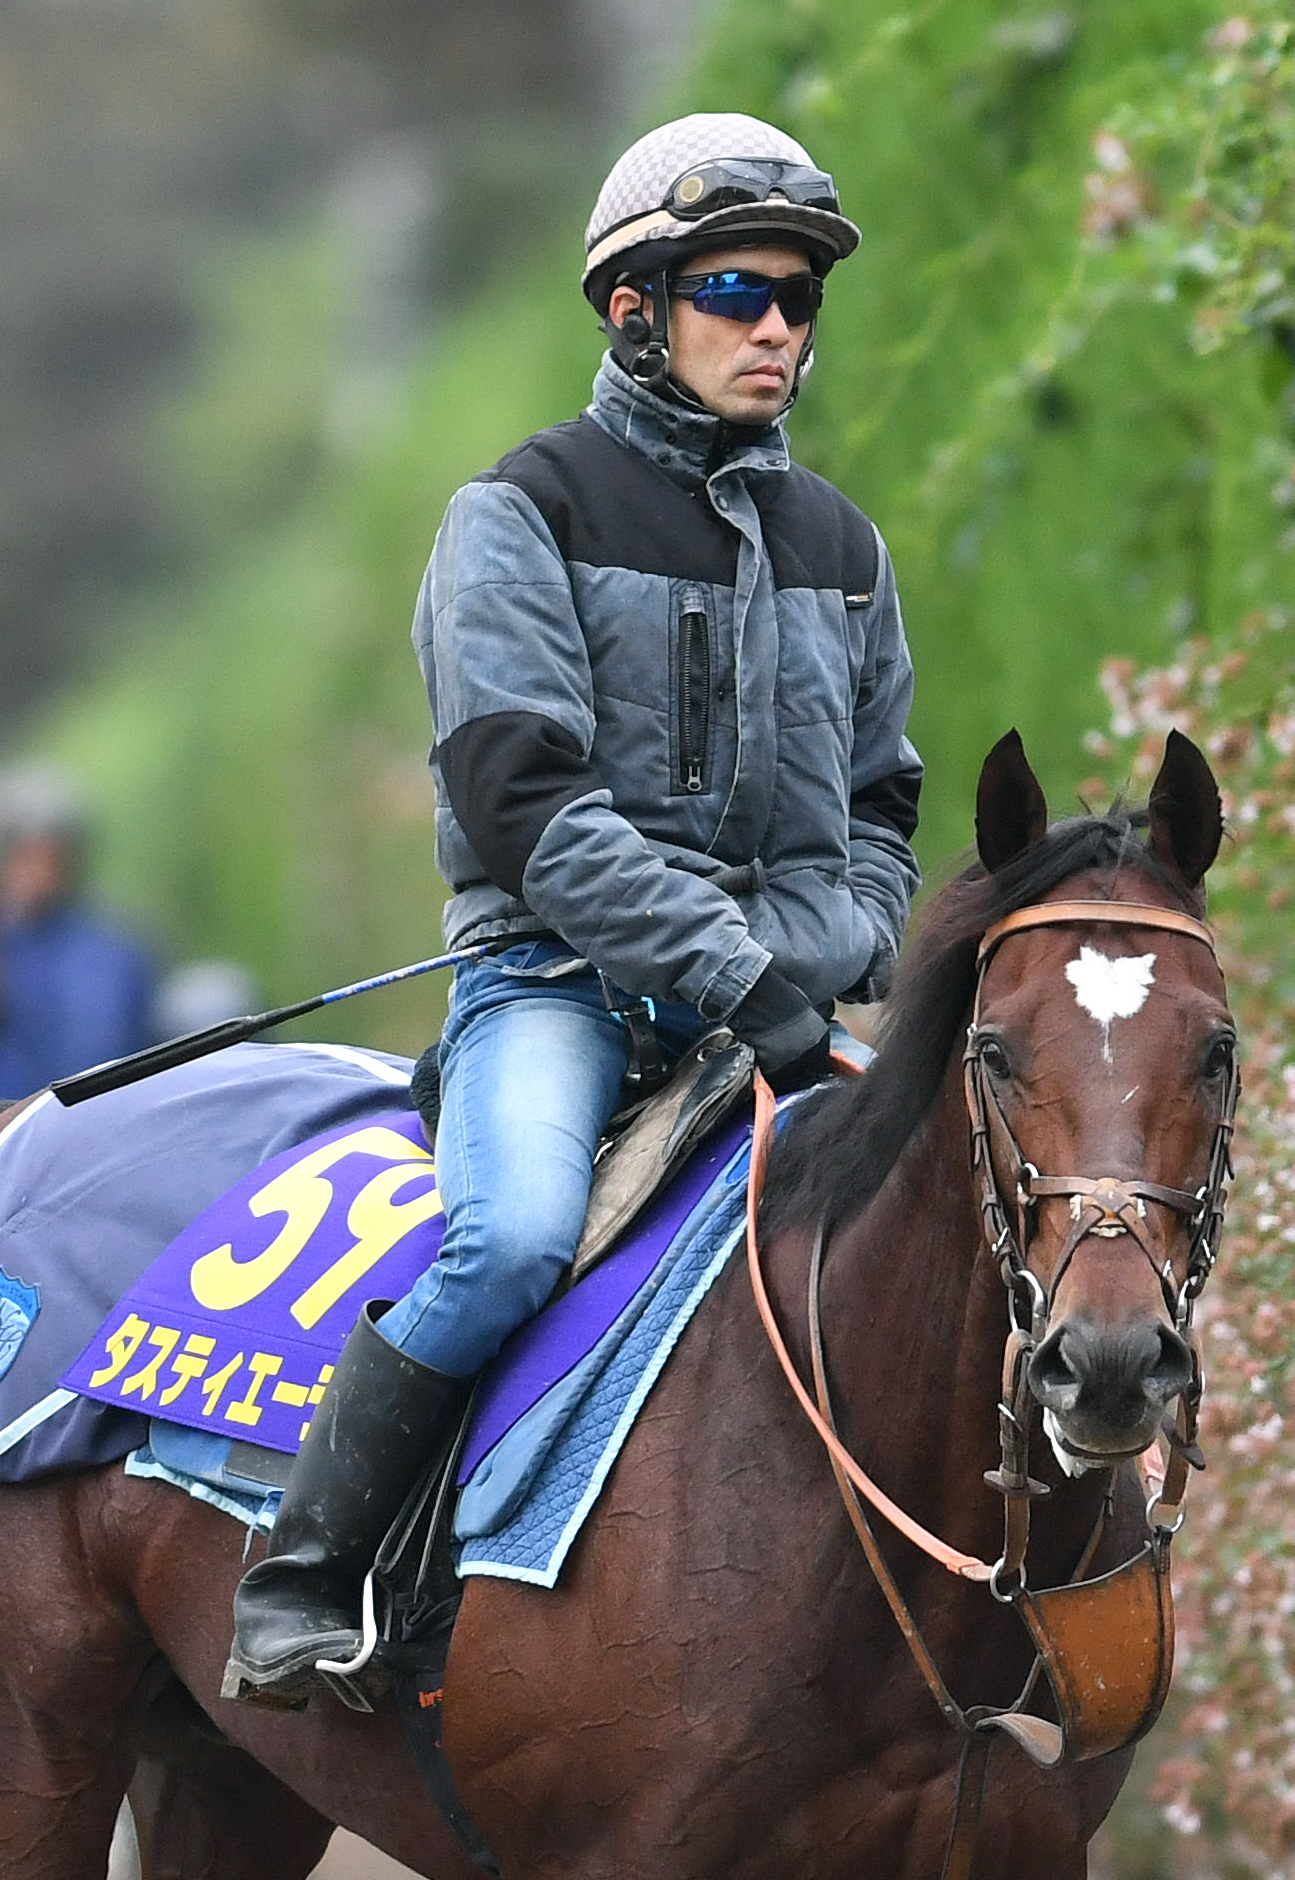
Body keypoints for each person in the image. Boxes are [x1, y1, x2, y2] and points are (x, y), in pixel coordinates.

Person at [225, 112, 922, 1706]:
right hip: (553, 990)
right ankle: (305, 1572)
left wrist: (806, 961)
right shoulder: (515, 514)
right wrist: (741, 970)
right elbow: (523, 805)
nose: (776, 329)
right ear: (635, 309)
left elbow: (880, 818)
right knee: (513, 1237)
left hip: (778, 1005)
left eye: (799, 299)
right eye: (738, 289)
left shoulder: (845, 549)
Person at [0, 765, 158, 1099]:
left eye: (54, 859)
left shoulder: (116, 953)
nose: (41, 874)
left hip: (104, 1124)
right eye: (26, 856)